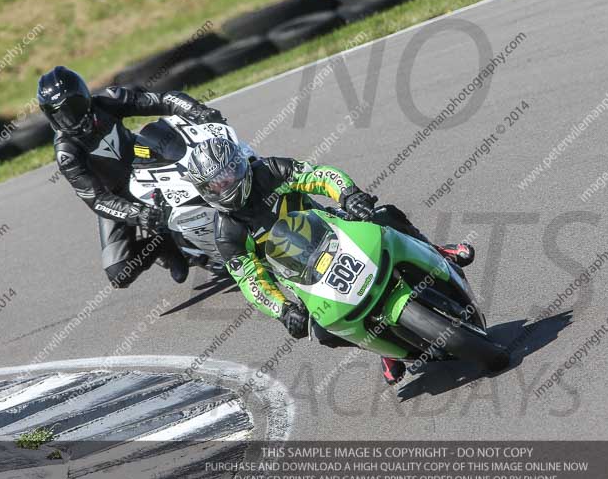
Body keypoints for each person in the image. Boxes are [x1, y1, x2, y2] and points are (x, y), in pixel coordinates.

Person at [186, 137, 475, 385]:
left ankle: (435, 250)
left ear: (240, 162)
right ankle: (385, 349)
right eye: (218, 182)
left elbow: (319, 176)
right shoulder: (227, 233)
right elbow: (250, 280)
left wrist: (349, 195)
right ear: (207, 191)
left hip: (334, 229)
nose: (228, 183)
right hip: (300, 275)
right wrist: (283, 309)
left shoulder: (269, 171)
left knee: (383, 216)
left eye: (230, 171)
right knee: (323, 331)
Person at [38, 66, 225, 288]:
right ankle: (163, 244)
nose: (68, 118)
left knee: (203, 181)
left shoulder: (108, 100)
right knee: (118, 272)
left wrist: (198, 111)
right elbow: (97, 199)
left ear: (85, 97)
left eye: (73, 107)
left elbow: (164, 99)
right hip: (114, 196)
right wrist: (136, 213)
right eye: (59, 113)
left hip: (147, 163)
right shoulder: (67, 153)